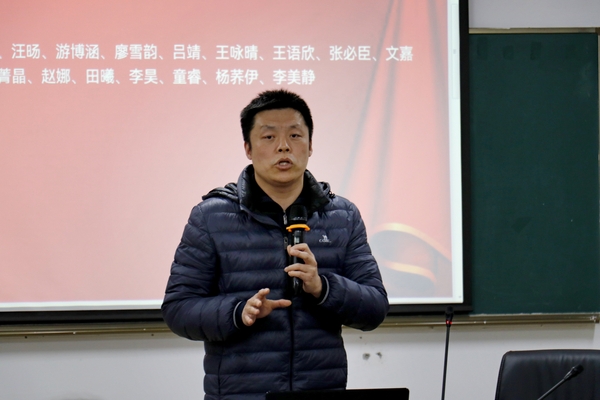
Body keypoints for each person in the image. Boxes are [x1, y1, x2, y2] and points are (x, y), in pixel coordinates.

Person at [162, 89, 389, 400]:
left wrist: (323, 287)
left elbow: (375, 308)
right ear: (248, 148)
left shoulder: (342, 216)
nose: (284, 146)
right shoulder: (211, 217)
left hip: (320, 390)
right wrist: (237, 311)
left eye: (295, 135)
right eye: (269, 137)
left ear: (310, 145)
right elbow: (178, 309)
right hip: (241, 395)